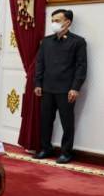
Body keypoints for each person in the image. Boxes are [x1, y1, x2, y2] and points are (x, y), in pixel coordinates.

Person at [33, 9, 88, 164]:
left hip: (66, 90)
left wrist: (75, 87)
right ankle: (46, 148)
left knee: (67, 122)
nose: (53, 23)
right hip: (47, 88)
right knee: (45, 121)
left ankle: (66, 152)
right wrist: (38, 83)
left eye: (57, 20)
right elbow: (40, 64)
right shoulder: (46, 42)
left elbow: (81, 67)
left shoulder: (78, 42)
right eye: (52, 20)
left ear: (67, 22)